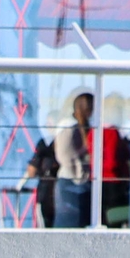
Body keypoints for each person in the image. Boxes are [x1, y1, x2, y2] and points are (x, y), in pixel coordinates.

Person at [50, 92, 95, 227]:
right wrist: (80, 170)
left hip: (83, 183)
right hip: (70, 181)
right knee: (68, 223)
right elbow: (64, 155)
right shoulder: (69, 126)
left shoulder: (87, 127)